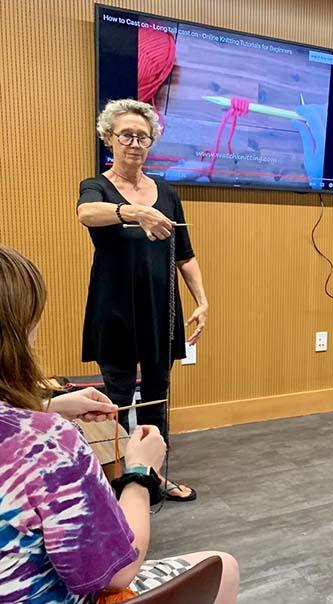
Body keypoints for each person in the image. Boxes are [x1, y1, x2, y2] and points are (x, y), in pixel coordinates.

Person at [0, 245, 238, 603]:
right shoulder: (47, 444)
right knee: (224, 565)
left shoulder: (45, 429)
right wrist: (140, 473)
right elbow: (116, 574)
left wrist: (49, 406)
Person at [76, 99, 208, 501]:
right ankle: (113, 486)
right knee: (114, 399)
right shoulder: (96, 186)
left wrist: (202, 300)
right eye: (126, 135)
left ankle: (152, 476)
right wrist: (134, 213)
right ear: (109, 139)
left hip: (160, 312)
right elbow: (86, 213)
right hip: (114, 310)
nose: (135, 143)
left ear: (151, 142)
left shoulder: (166, 192)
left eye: (142, 136)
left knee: (156, 397)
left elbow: (185, 254)